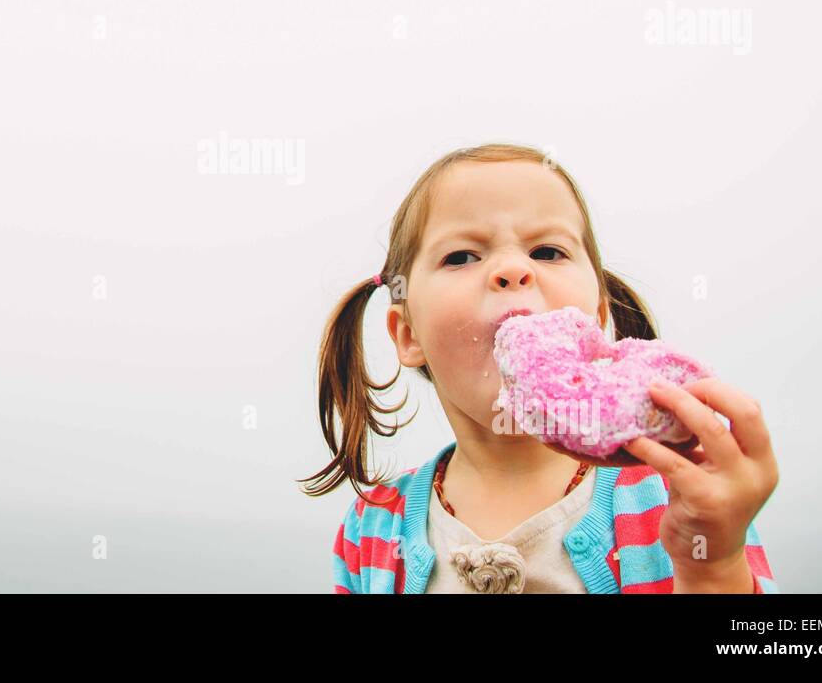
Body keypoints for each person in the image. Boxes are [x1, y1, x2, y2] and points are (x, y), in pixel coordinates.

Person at [300, 143, 779, 593]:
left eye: (547, 252)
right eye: (462, 256)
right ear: (409, 335)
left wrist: (712, 566)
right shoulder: (373, 528)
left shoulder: (680, 500)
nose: (512, 269)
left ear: (594, 320)